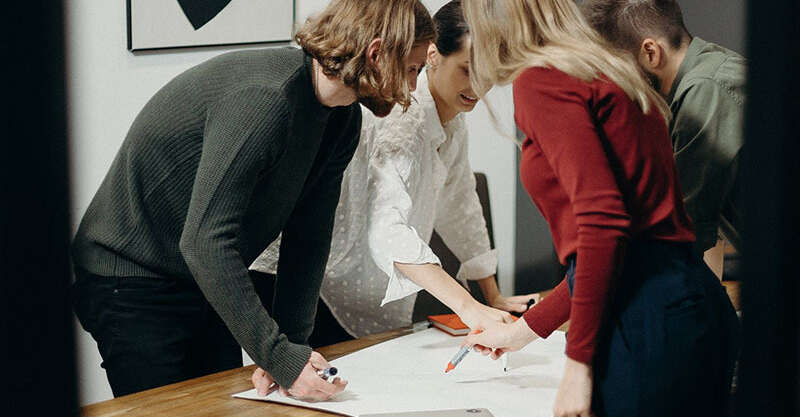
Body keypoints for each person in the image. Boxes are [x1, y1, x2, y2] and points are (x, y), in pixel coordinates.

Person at [71, 0, 435, 401]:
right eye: (412, 68)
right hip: (130, 275)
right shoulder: (267, 100)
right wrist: (281, 358)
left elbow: (308, 239)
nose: (414, 86)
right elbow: (205, 242)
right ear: (376, 53)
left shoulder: (341, 120)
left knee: (223, 406)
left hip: (197, 274)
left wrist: (290, 350)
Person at [459, 0, 740, 416]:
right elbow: (628, 246)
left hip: (645, 322)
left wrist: (577, 364)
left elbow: (603, 224)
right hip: (692, 308)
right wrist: (523, 332)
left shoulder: (541, 80)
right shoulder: (607, 66)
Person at [250, 0, 531, 351]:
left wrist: (493, 296)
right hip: (306, 276)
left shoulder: (453, 119)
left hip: (345, 276)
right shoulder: (404, 115)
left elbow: (460, 205)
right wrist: (469, 306)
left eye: (488, 73)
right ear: (433, 55)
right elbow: (387, 228)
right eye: (466, 69)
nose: (478, 86)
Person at [580, 0, 746, 257]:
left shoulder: (705, 91)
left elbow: (682, 230)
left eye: (616, 70)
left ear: (651, 53)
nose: (613, 85)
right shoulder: (707, 73)